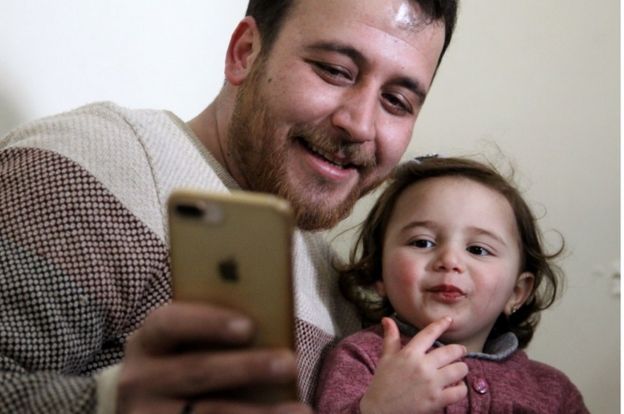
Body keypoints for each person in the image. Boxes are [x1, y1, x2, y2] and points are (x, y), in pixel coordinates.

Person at [0, 0, 459, 413]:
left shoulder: (339, 290)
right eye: (335, 70)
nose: (359, 124)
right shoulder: (99, 164)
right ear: (245, 52)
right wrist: (113, 403)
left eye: (396, 102)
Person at [314, 156, 589, 413]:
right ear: (378, 274)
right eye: (422, 242)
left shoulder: (553, 392)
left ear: (517, 293)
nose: (449, 260)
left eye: (478, 250)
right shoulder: (363, 358)